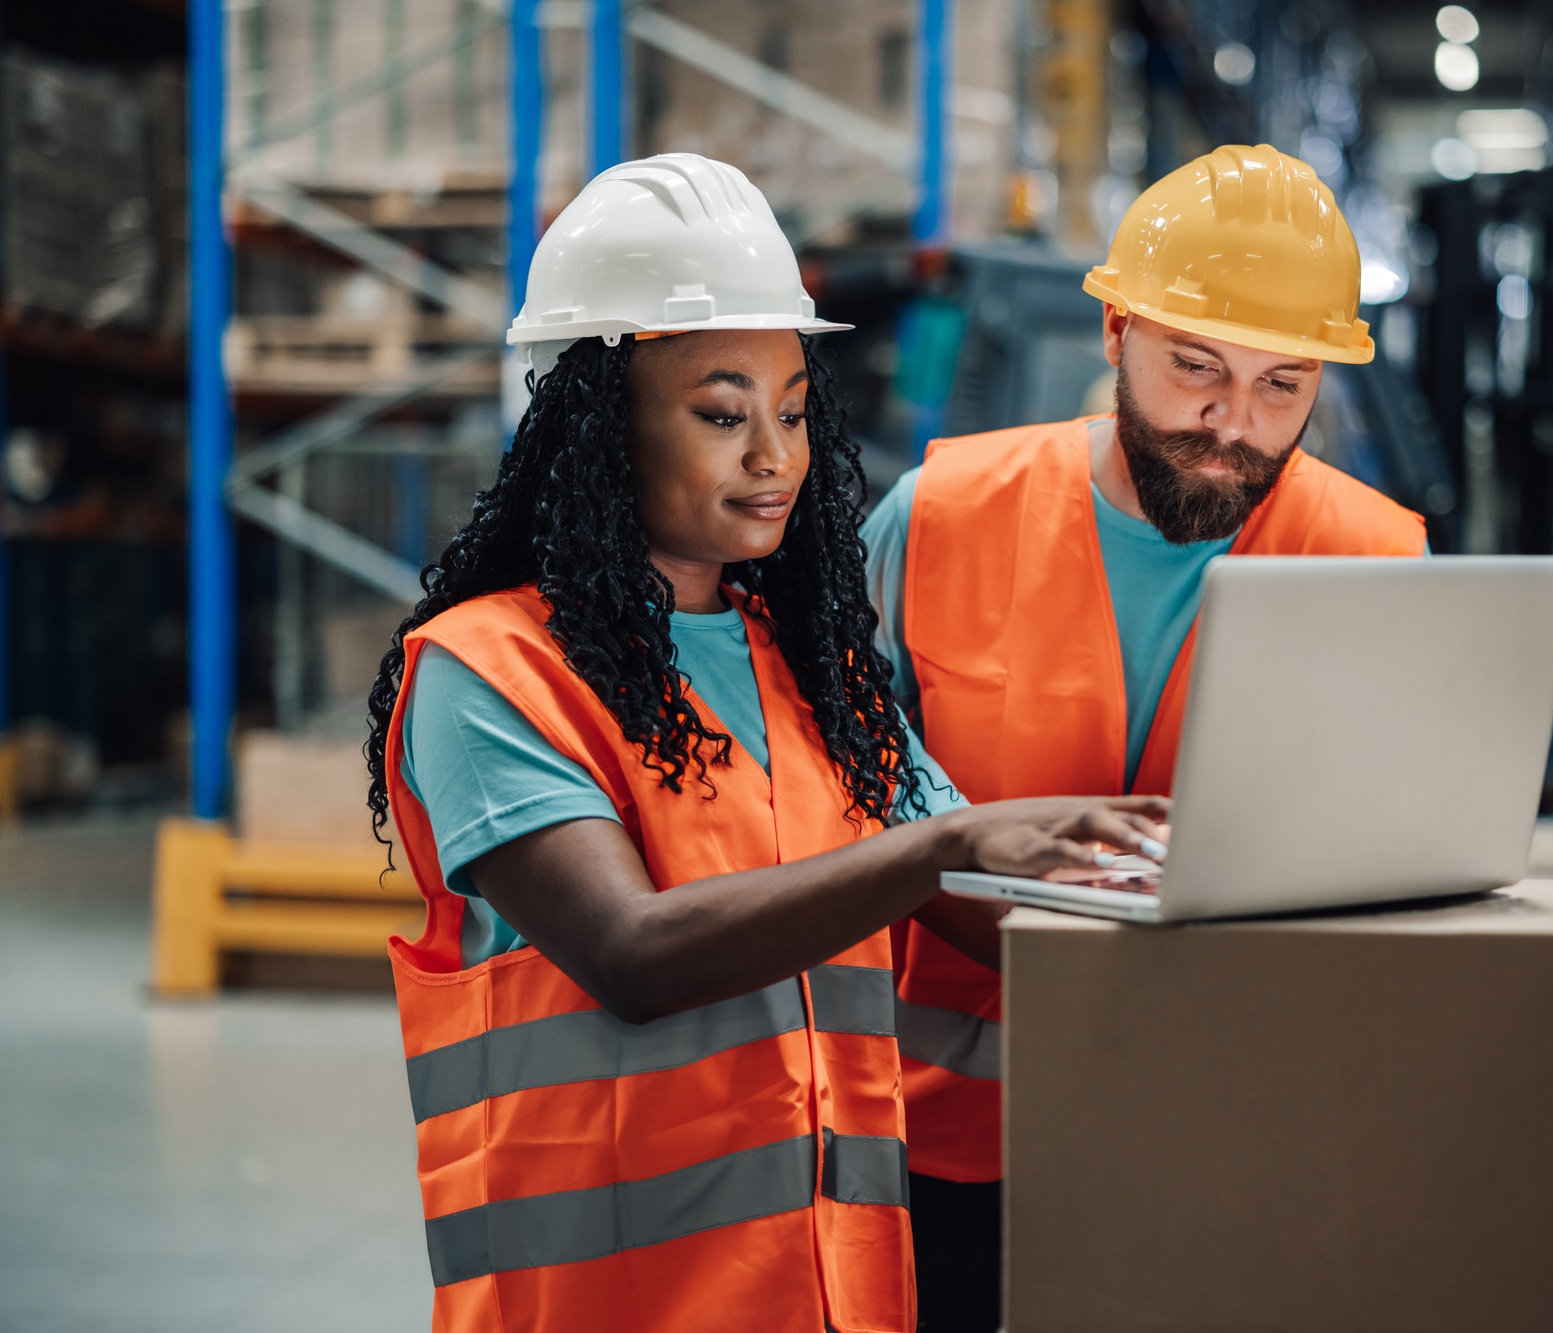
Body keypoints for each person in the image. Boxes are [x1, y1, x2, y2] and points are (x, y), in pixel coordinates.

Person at [363, 154, 1168, 1333]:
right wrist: (937, 846)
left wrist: (1202, 911)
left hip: (834, 1297)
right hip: (606, 1308)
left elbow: (993, 918)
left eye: (792, 411)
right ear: (601, 426)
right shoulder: (487, 672)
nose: (773, 457)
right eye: (721, 413)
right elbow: (632, 953)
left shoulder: (812, 675)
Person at [861, 143, 1428, 1329]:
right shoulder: (940, 516)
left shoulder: (1376, 558)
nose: (1231, 424)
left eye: (1282, 385)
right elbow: (836, 785)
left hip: (1230, 1133)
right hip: (940, 1141)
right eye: (1196, 367)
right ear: (1115, 332)